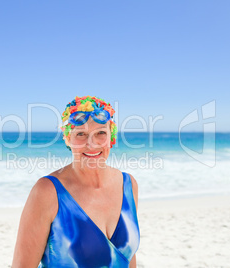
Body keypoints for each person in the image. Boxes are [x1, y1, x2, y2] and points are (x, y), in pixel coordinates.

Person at [12, 96, 140, 268]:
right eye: (81, 134)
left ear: (111, 137)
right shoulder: (47, 192)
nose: (92, 144)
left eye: (101, 133)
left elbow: (129, 258)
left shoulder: (128, 185)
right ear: (67, 139)